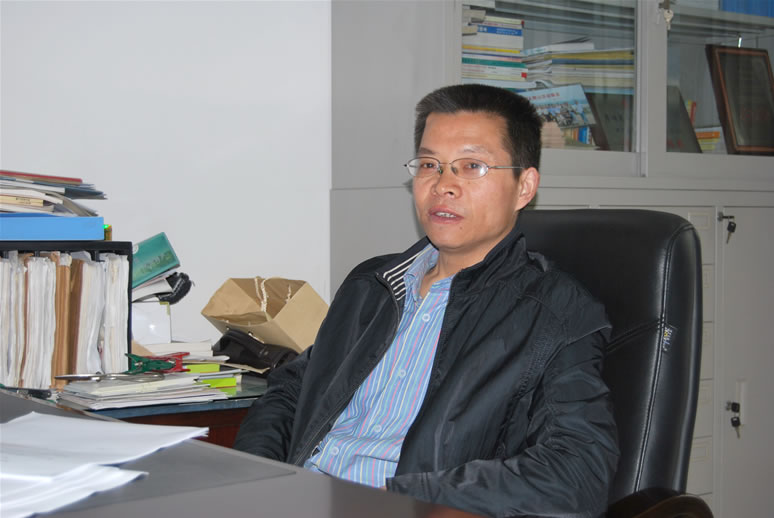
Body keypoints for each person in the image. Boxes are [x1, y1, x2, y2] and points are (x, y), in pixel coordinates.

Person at [233, 84, 619, 518]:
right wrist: (259, 478)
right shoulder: (372, 286)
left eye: (471, 166)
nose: (443, 186)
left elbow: (577, 473)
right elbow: (291, 391)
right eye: (430, 165)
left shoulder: (557, 313)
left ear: (524, 186)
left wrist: (403, 498)